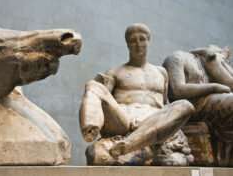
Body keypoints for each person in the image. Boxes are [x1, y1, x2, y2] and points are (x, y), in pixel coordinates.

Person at [79, 23, 194, 158]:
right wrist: (98, 86)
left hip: (151, 125)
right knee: (93, 85)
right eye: (133, 40)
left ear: (148, 42)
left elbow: (163, 104)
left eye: (142, 39)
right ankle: (90, 128)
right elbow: (102, 101)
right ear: (128, 45)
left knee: (185, 105)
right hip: (123, 122)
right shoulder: (115, 72)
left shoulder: (161, 72)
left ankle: (129, 145)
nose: (138, 44)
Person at [163, 45, 233, 166]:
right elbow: (177, 90)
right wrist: (214, 87)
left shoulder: (208, 65)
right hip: (191, 106)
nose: (225, 65)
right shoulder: (177, 58)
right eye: (224, 62)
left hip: (209, 101)